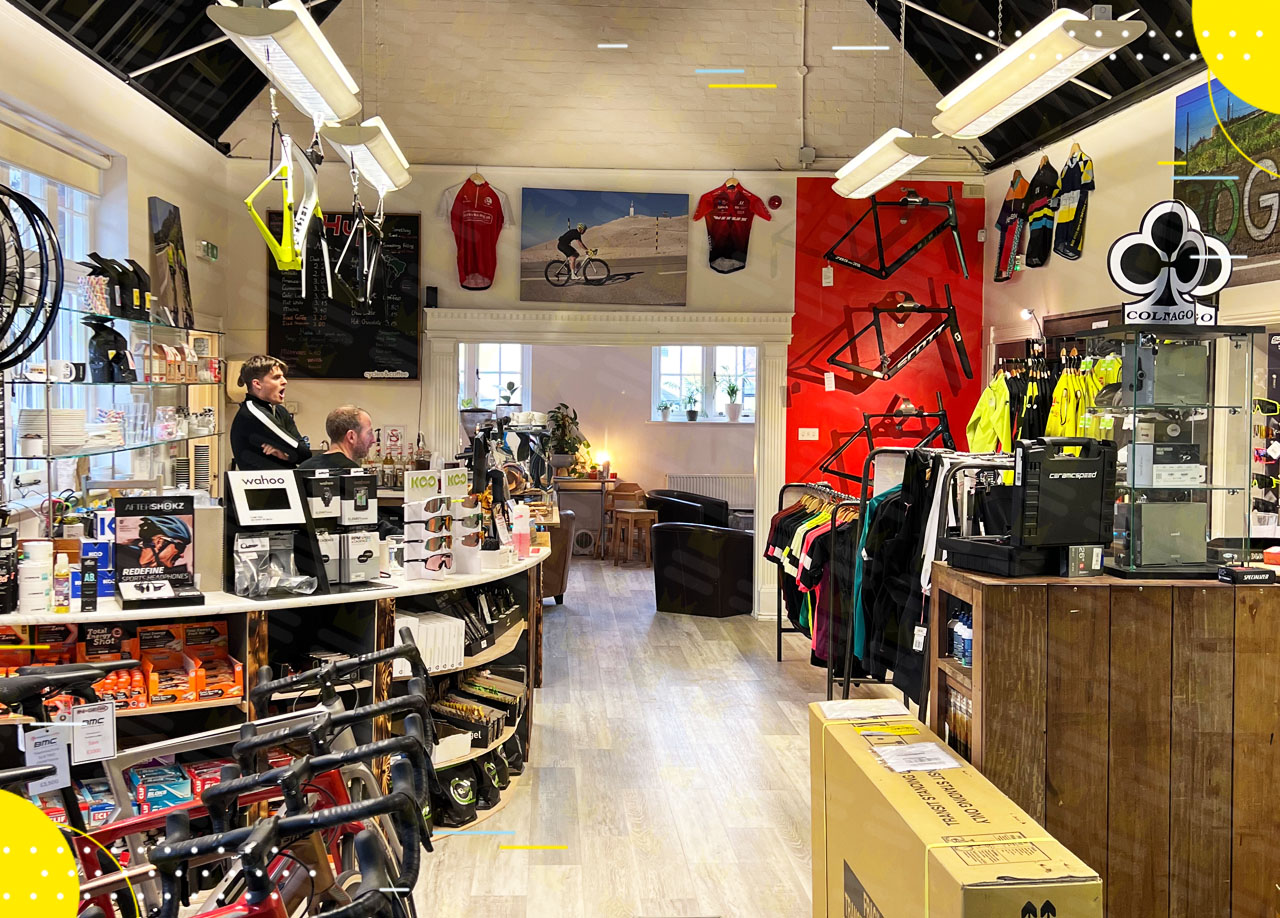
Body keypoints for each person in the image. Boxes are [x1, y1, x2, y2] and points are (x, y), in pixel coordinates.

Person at [230, 355, 312, 470]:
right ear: (257, 384)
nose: (284, 381)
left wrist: (286, 456)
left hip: (285, 482)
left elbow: (304, 451)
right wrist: (290, 453)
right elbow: (303, 454)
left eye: (283, 377)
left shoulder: (279, 410)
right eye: (276, 377)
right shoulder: (253, 413)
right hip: (263, 486)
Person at [299, 405, 376, 470]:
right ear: (351, 437)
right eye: (369, 433)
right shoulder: (350, 473)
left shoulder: (304, 468)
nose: (373, 440)